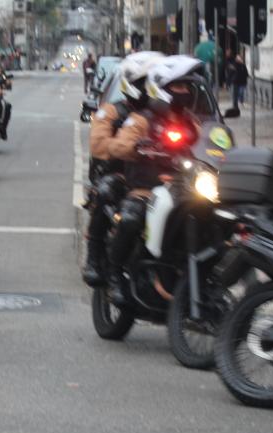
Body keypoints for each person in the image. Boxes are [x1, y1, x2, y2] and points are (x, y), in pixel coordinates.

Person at [102, 55, 206, 306]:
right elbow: (117, 146)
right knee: (131, 219)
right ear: (162, 89)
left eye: (186, 87)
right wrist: (138, 147)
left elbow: (208, 145)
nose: (184, 93)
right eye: (178, 87)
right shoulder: (140, 119)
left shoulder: (191, 122)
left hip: (184, 189)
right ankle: (115, 275)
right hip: (145, 189)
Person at [81, 50, 164, 286]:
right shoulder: (112, 111)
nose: (150, 88)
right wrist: (129, 148)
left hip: (158, 179)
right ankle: (94, 257)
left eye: (154, 82)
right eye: (145, 83)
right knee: (106, 192)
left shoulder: (162, 116)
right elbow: (98, 145)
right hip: (120, 174)